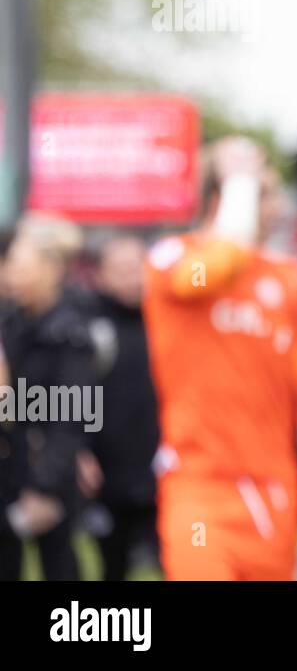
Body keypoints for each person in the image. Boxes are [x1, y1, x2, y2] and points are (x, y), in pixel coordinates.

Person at [142, 137, 297, 580]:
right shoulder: (172, 257)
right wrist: (238, 181)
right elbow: (217, 265)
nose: (276, 208)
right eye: (263, 194)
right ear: (224, 197)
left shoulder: (289, 278)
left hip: (274, 492)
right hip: (199, 488)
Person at [0, 215, 95, 580]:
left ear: (52, 268)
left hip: (48, 479)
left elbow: (72, 419)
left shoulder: (70, 334)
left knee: (60, 568)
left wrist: (45, 487)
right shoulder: (14, 323)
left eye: (22, 265)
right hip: (11, 468)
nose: (12, 275)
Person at [76, 232, 160, 580]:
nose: (134, 278)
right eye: (122, 269)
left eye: (139, 267)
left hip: (164, 467)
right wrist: (79, 450)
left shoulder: (167, 319)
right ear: (100, 274)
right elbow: (70, 390)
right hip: (107, 472)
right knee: (113, 565)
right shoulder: (85, 326)